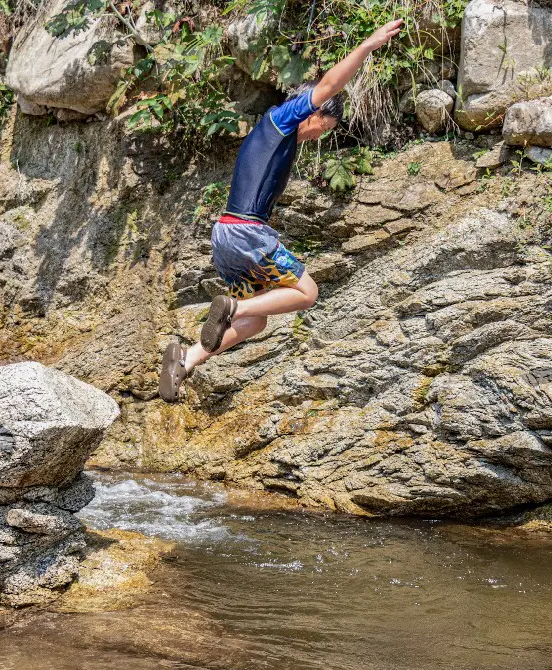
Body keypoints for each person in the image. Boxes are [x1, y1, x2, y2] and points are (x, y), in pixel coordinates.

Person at [160, 18, 404, 402]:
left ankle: (187, 360)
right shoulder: (281, 120)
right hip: (245, 233)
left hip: (225, 237)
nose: (319, 135)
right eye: (323, 127)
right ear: (313, 112)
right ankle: (232, 306)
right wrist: (367, 46)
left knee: (255, 320)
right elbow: (328, 86)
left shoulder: (273, 138)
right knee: (306, 292)